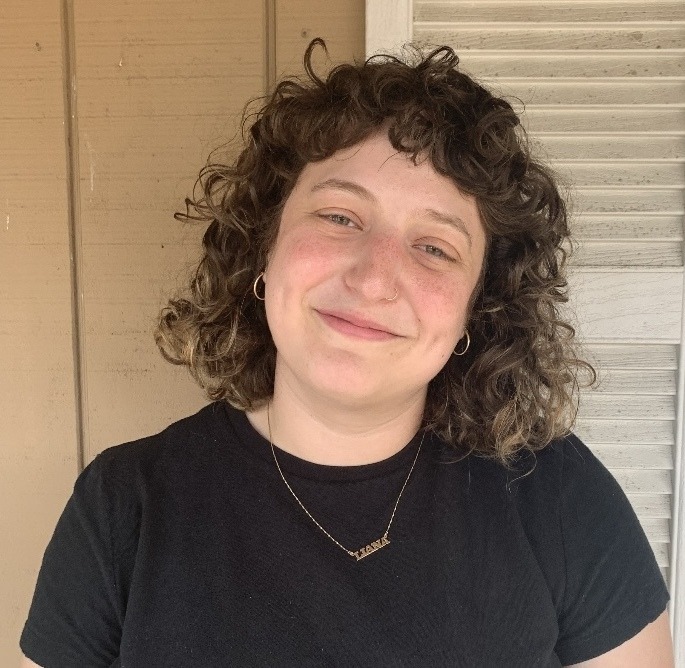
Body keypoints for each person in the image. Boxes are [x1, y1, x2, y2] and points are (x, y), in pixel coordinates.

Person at [20, 40, 673, 667]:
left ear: (476, 309)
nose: (373, 278)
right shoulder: (124, 505)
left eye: (434, 247)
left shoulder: (554, 493)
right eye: (339, 217)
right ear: (263, 252)